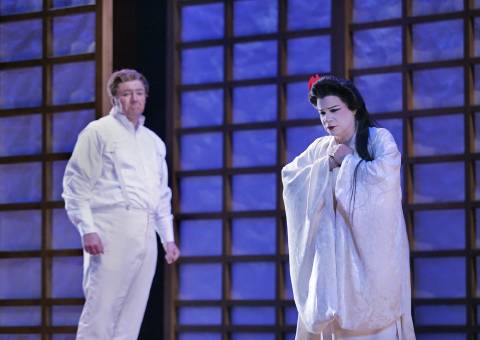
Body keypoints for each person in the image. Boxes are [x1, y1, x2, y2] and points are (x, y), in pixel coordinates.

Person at [281, 74, 415, 340]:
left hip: (370, 259)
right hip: (330, 258)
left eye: (334, 110)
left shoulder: (378, 139)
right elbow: (291, 178)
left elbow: (384, 179)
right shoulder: (321, 148)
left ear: (353, 107)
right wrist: (326, 165)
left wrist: (349, 163)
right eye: (322, 113)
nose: (327, 119)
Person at [62, 69, 180, 340]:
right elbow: (76, 184)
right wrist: (87, 228)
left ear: (146, 97)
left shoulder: (153, 142)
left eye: (139, 93)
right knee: (101, 310)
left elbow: (161, 194)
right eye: (126, 94)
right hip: (110, 226)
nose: (134, 100)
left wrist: (168, 239)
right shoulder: (98, 132)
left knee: (132, 313)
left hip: (146, 228)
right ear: (115, 98)